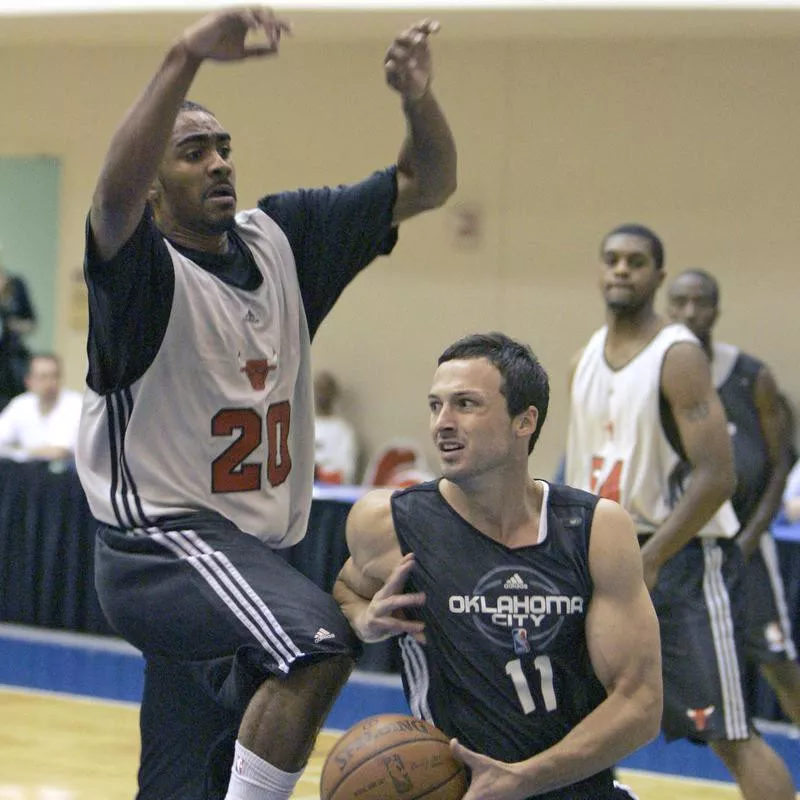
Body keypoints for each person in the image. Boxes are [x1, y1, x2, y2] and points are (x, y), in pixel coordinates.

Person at [75, 6, 456, 800]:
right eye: (191, 153)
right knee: (316, 646)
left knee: (185, 784)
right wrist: (184, 55)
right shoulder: (141, 278)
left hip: (250, 558)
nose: (217, 163)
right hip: (164, 548)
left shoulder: (285, 237)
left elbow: (430, 183)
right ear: (153, 182)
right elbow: (110, 203)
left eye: (223, 148)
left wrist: (417, 99)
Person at [334, 332, 663, 800]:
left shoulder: (596, 530)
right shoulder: (387, 522)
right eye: (435, 406)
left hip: (577, 790)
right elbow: (345, 588)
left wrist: (525, 778)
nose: (442, 424)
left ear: (524, 421)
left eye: (466, 404)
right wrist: (364, 621)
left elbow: (641, 703)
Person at [565, 224, 795, 799]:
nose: (621, 270)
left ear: (657, 277)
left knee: (727, 733)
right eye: (612, 259)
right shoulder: (584, 357)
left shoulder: (678, 356)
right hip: (603, 555)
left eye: (636, 262)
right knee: (580, 718)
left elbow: (720, 475)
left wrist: (651, 556)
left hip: (681, 560)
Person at [667, 267, 800, 725]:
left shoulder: (750, 377)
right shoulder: (654, 375)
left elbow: (779, 465)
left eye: (699, 301)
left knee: (778, 663)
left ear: (715, 310)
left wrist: (749, 538)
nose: (689, 311)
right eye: (679, 302)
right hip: (680, 547)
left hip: (744, 547)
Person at [0, 353, 82, 462]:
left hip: (66, 474)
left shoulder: (76, 404)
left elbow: (59, 452)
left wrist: (18, 452)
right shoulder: (20, 404)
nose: (50, 383)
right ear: (28, 381)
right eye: (43, 377)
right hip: (26, 473)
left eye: (55, 376)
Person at [0, 255, 37, 410]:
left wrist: (13, 325)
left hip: (12, 362)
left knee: (15, 407)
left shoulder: (15, 285)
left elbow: (31, 323)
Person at [313, 370, 358, 485]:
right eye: (319, 390)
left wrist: (318, 474)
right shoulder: (305, 427)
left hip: (330, 494)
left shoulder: (343, 431)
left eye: (326, 390)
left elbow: (345, 474)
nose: (322, 395)